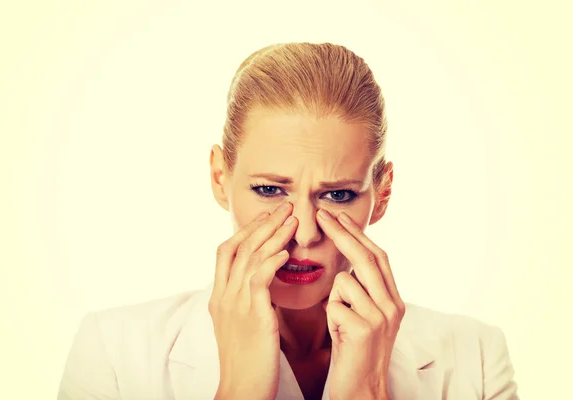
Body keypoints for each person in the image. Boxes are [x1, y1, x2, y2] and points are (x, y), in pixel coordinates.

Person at [57, 42, 519, 400]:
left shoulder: (474, 357)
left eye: (337, 195)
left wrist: (366, 391)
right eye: (270, 190)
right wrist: (239, 388)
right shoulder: (113, 352)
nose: (303, 231)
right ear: (221, 178)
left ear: (381, 194)